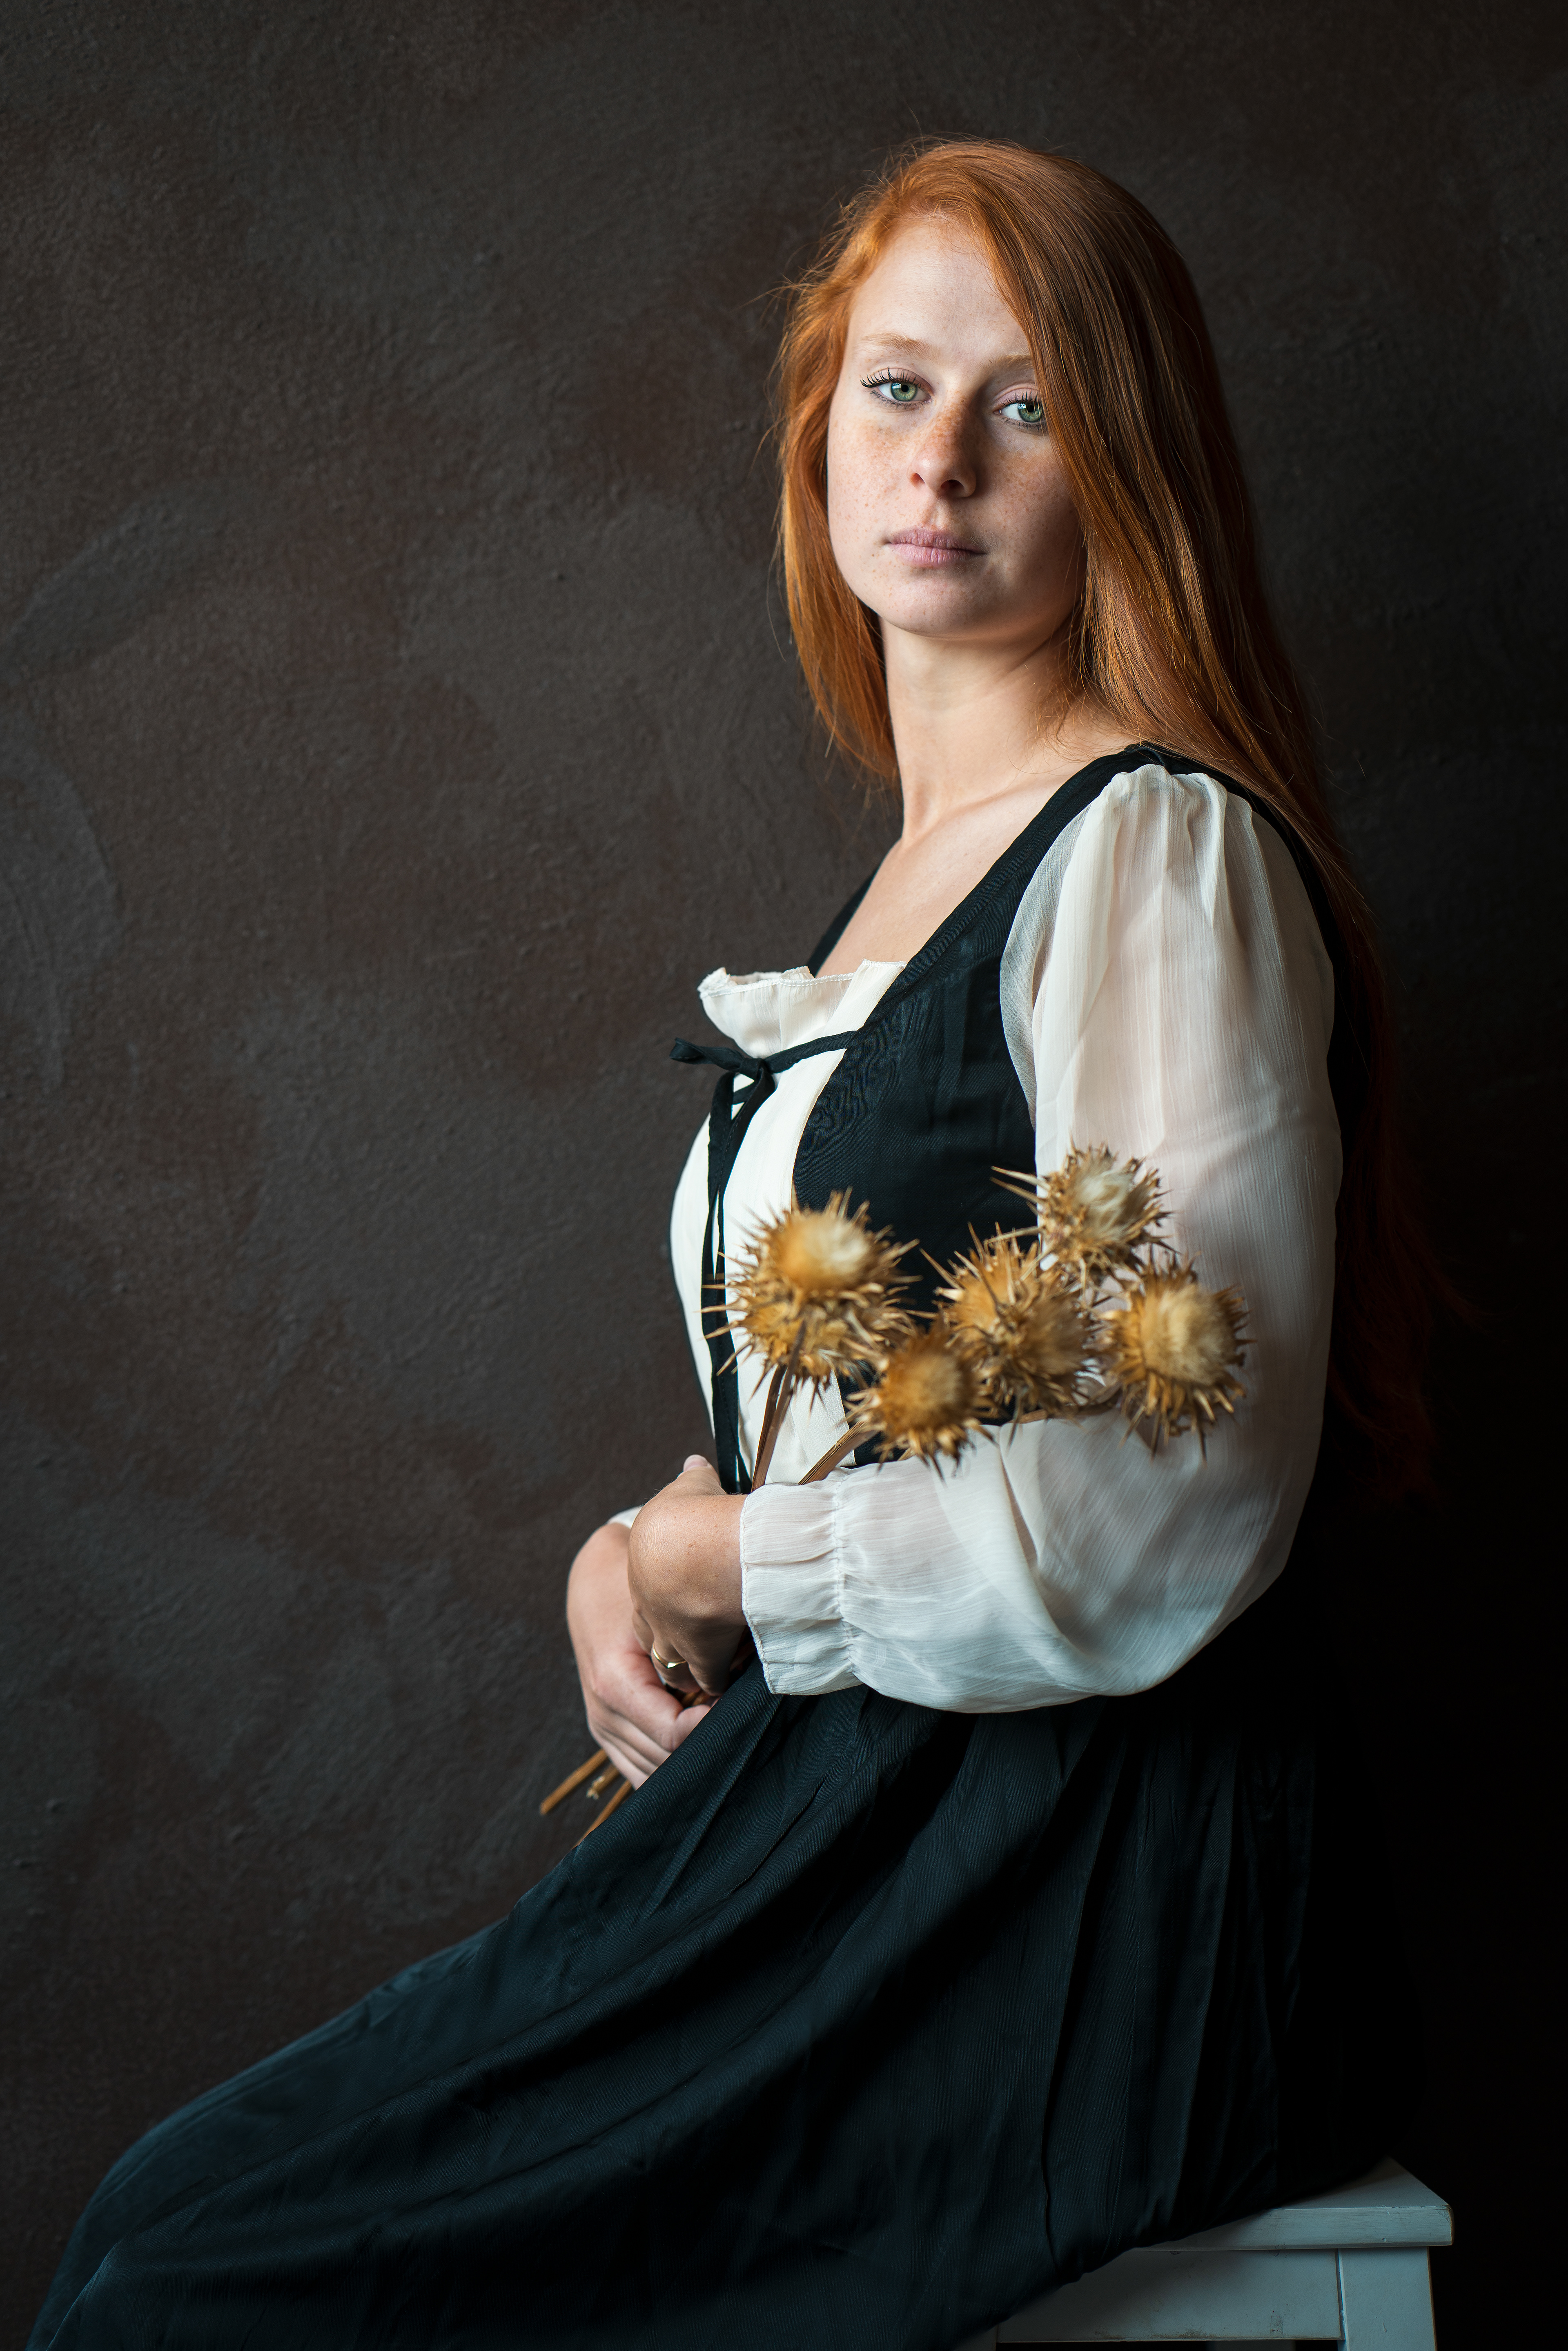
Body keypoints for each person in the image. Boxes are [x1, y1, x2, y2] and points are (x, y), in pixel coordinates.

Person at [31, 140, 1430, 2351]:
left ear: (1127, 458)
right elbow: (865, 1417)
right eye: (894, 388)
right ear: (817, 439)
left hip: (1081, 1891)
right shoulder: (908, 886)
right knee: (168, 2228)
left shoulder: (1155, 849)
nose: (943, 458)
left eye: (1028, 401)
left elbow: (1181, 1491)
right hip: (859, 1825)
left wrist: (719, 1573)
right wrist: (646, 1539)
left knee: (210, 2278)